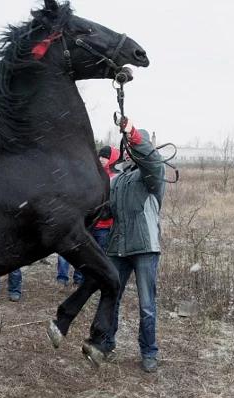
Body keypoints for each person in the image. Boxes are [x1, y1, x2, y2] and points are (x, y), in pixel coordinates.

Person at [104, 124, 165, 373]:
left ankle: (149, 351)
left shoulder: (152, 175)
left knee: (146, 305)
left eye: (134, 146)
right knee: (111, 299)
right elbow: (106, 209)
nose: (129, 151)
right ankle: (106, 343)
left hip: (144, 247)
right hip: (118, 246)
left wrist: (133, 134)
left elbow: (151, 160)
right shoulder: (117, 180)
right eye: (127, 147)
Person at [56, 145, 120, 286]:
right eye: (100, 156)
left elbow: (116, 201)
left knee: (100, 254)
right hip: (89, 223)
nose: (102, 159)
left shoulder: (116, 177)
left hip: (105, 225)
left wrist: (107, 212)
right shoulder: (92, 174)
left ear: (112, 159)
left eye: (106, 157)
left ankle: (93, 281)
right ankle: (77, 278)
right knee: (84, 253)